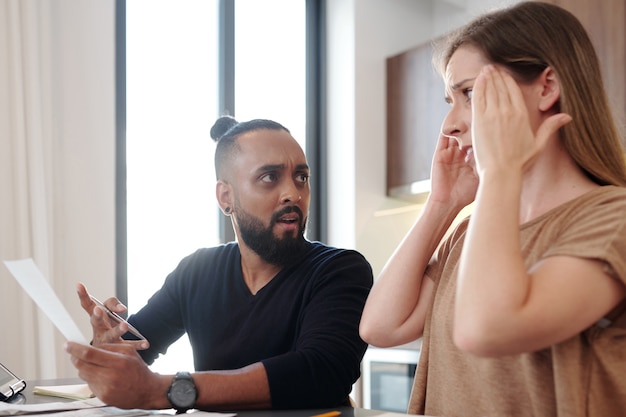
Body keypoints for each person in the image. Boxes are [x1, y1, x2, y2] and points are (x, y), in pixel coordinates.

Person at [359, 2, 626, 416]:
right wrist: (441, 205)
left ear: (546, 88)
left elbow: (485, 329)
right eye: (449, 99)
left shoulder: (612, 220)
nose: (449, 123)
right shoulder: (473, 231)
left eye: (468, 93)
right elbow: (380, 327)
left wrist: (501, 170)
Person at [65, 116, 373, 412]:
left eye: (301, 177)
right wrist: (106, 348)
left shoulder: (340, 270)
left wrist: (166, 390)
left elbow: (320, 372)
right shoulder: (197, 271)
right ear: (226, 196)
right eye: (269, 177)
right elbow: (137, 350)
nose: (293, 193)